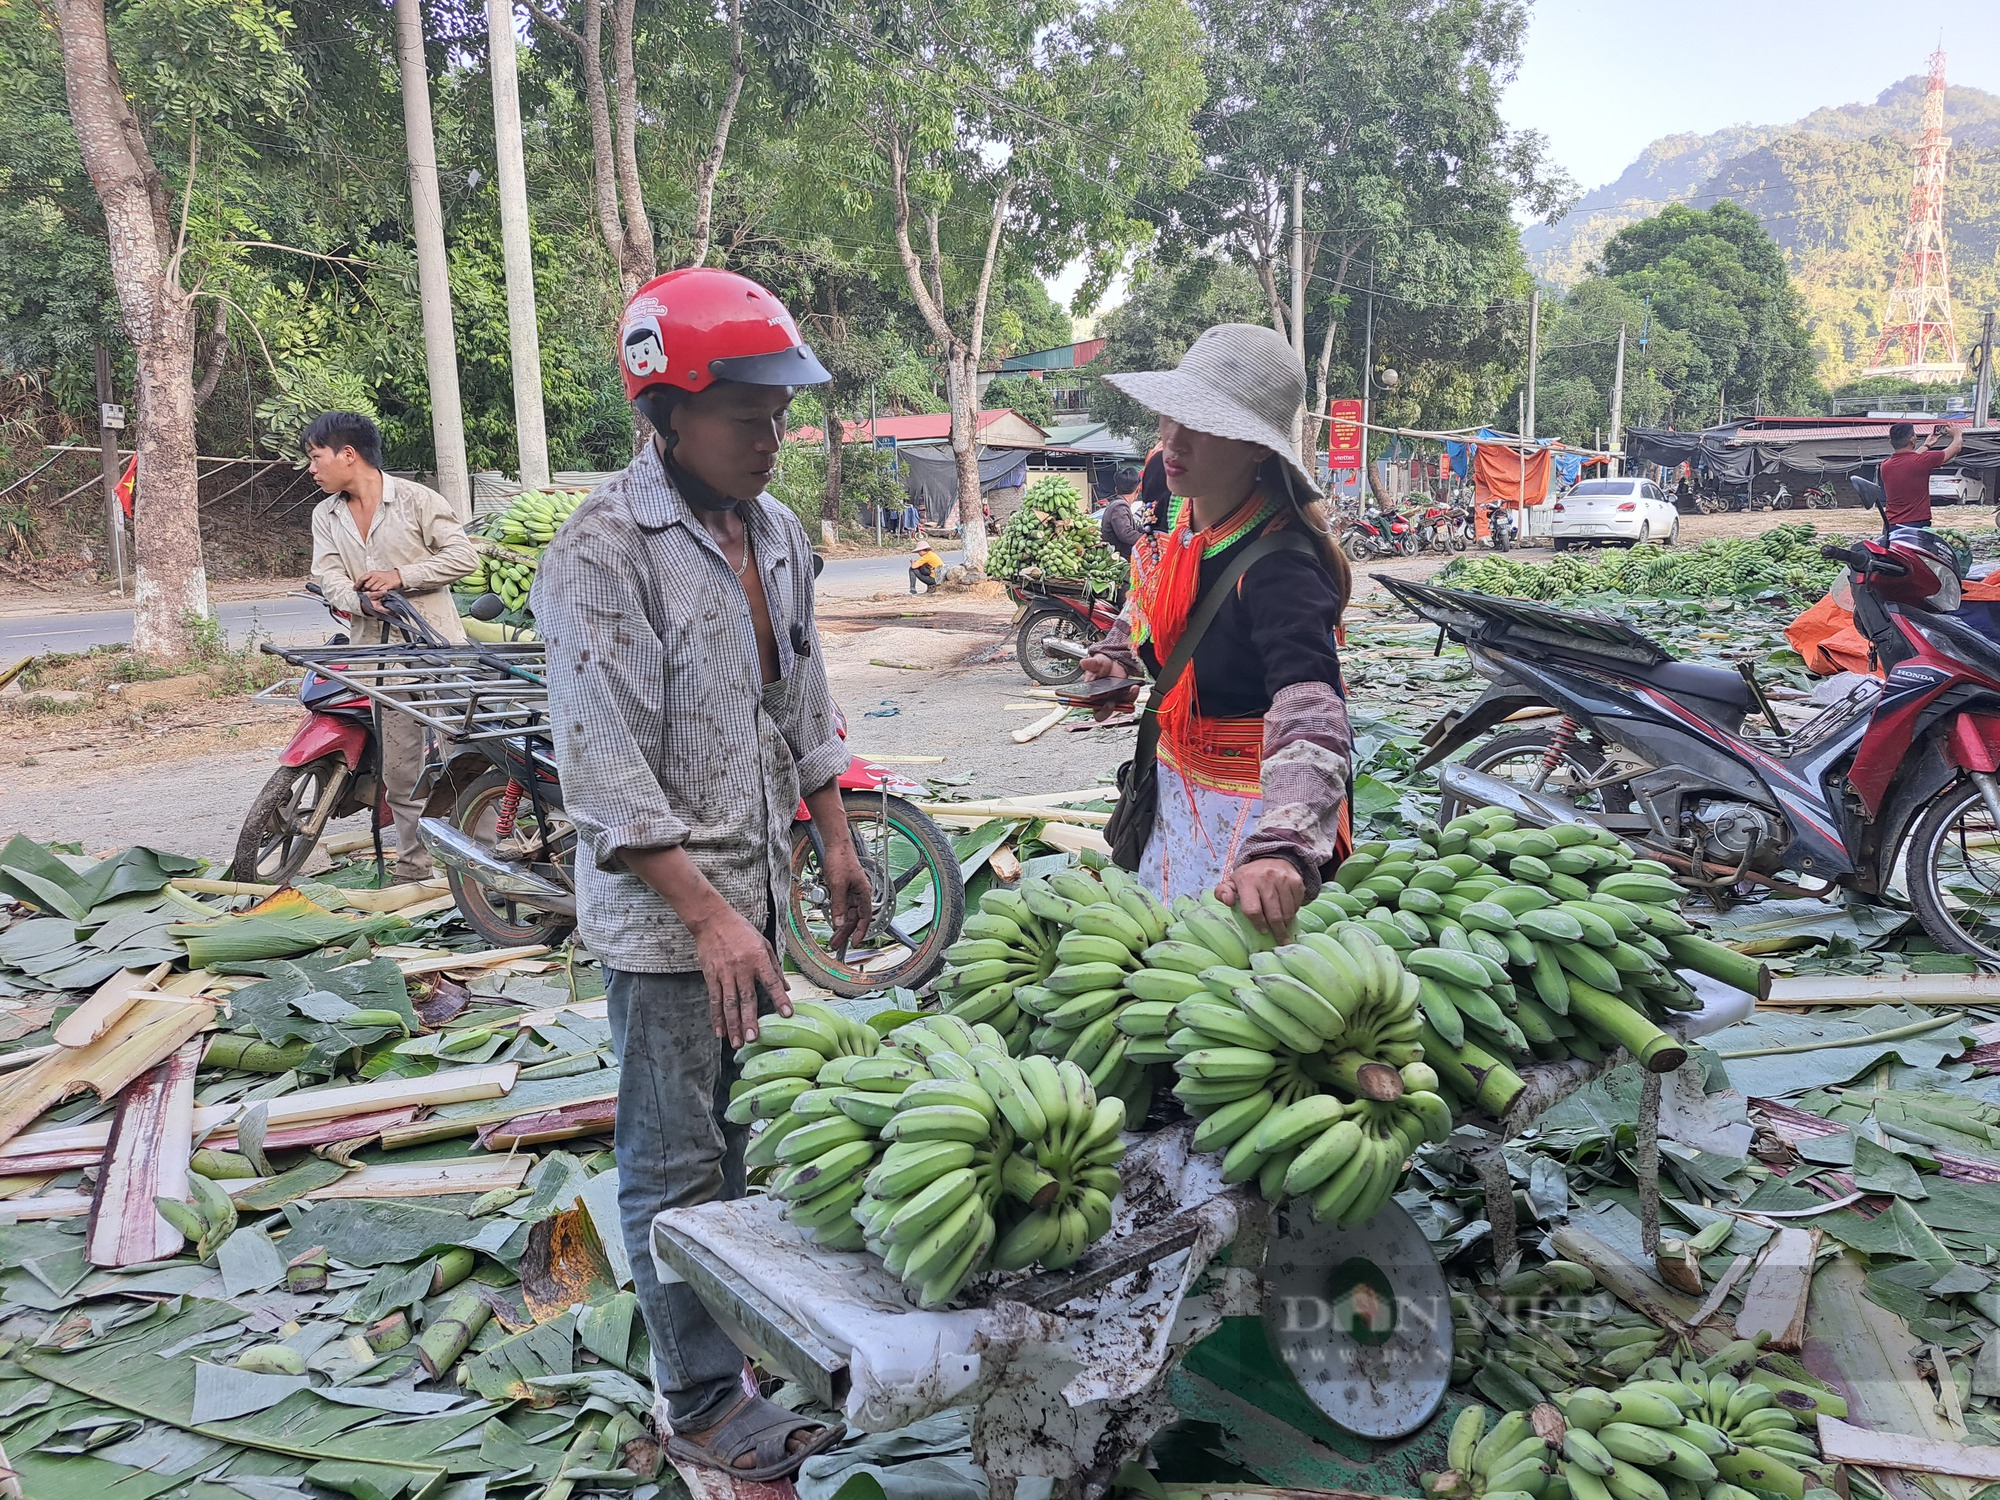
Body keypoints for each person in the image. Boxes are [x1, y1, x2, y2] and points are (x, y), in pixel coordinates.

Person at [531, 268, 868, 1482]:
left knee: (741, 1147)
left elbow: (799, 691)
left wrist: (830, 830)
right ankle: (698, 1403)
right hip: (668, 927)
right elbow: (606, 776)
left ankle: (733, 1352)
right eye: (745, 418)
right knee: (672, 1163)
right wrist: (713, 918)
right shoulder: (601, 555)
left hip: (751, 904)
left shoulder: (771, 532)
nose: (770, 442)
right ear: (662, 414)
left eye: (779, 416)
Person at [1079, 324, 1354, 936]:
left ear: (1258, 447)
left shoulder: (1283, 567)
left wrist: (1282, 847)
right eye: (1170, 416)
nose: (1172, 441)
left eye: (1200, 423)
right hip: (1175, 799)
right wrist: (1119, 663)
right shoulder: (1183, 533)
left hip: (1253, 819)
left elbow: (1313, 712)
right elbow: (1153, 623)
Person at [306, 411, 477, 881]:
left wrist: (402, 578)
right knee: (400, 769)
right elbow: (329, 576)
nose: (312, 469)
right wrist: (360, 601)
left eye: (316, 457)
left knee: (463, 751)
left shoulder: (417, 500)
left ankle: (480, 856)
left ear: (348, 455)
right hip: (378, 656)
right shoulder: (327, 514)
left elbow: (462, 555)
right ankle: (414, 867)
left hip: (438, 647)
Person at [1880, 420, 1965, 530]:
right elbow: (1956, 447)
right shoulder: (1923, 461)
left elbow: (1910, 459)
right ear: (1912, 440)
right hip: (1916, 524)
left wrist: (1927, 445)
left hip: (1891, 525)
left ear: (1891, 441)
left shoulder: (1885, 465)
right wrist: (1957, 434)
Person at [1099, 463, 1144, 559]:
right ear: (1137, 490)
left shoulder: (1116, 505)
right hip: (1119, 561)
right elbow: (1126, 534)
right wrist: (1146, 539)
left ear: (1116, 489)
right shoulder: (1119, 506)